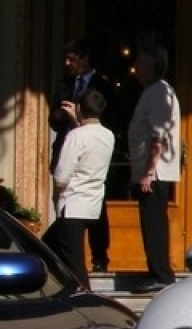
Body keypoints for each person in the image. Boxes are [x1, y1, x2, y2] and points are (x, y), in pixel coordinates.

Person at [52, 39, 113, 272]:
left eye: (73, 59)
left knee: (95, 214)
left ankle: (99, 258)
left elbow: (106, 118)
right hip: (68, 153)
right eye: (66, 59)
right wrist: (63, 115)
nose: (68, 64)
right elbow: (53, 119)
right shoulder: (65, 84)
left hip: (91, 158)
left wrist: (78, 125)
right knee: (61, 235)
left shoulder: (102, 86)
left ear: (85, 58)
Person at [44, 89, 114, 290]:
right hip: (92, 205)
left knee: (75, 265)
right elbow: (87, 139)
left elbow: (61, 176)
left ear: (80, 108)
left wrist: (57, 191)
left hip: (72, 204)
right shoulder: (107, 135)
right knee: (46, 245)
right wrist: (78, 120)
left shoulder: (76, 136)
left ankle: (86, 300)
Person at [127, 44, 181, 293]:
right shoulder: (152, 91)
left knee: (153, 222)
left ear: (153, 66)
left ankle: (161, 273)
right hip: (149, 170)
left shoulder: (159, 92)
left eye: (140, 63)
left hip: (155, 173)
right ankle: (156, 271)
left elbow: (158, 135)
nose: (136, 68)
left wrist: (149, 171)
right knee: (151, 222)